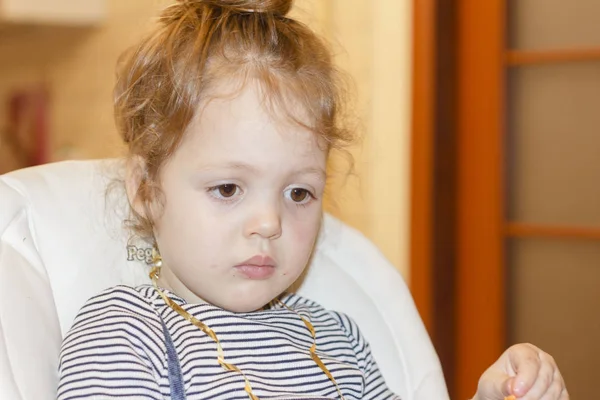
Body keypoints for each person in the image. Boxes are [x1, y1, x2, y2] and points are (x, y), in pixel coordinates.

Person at [56, 1, 569, 399]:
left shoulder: (337, 337)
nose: (269, 222)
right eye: (228, 189)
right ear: (146, 189)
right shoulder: (125, 335)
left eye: (299, 192)